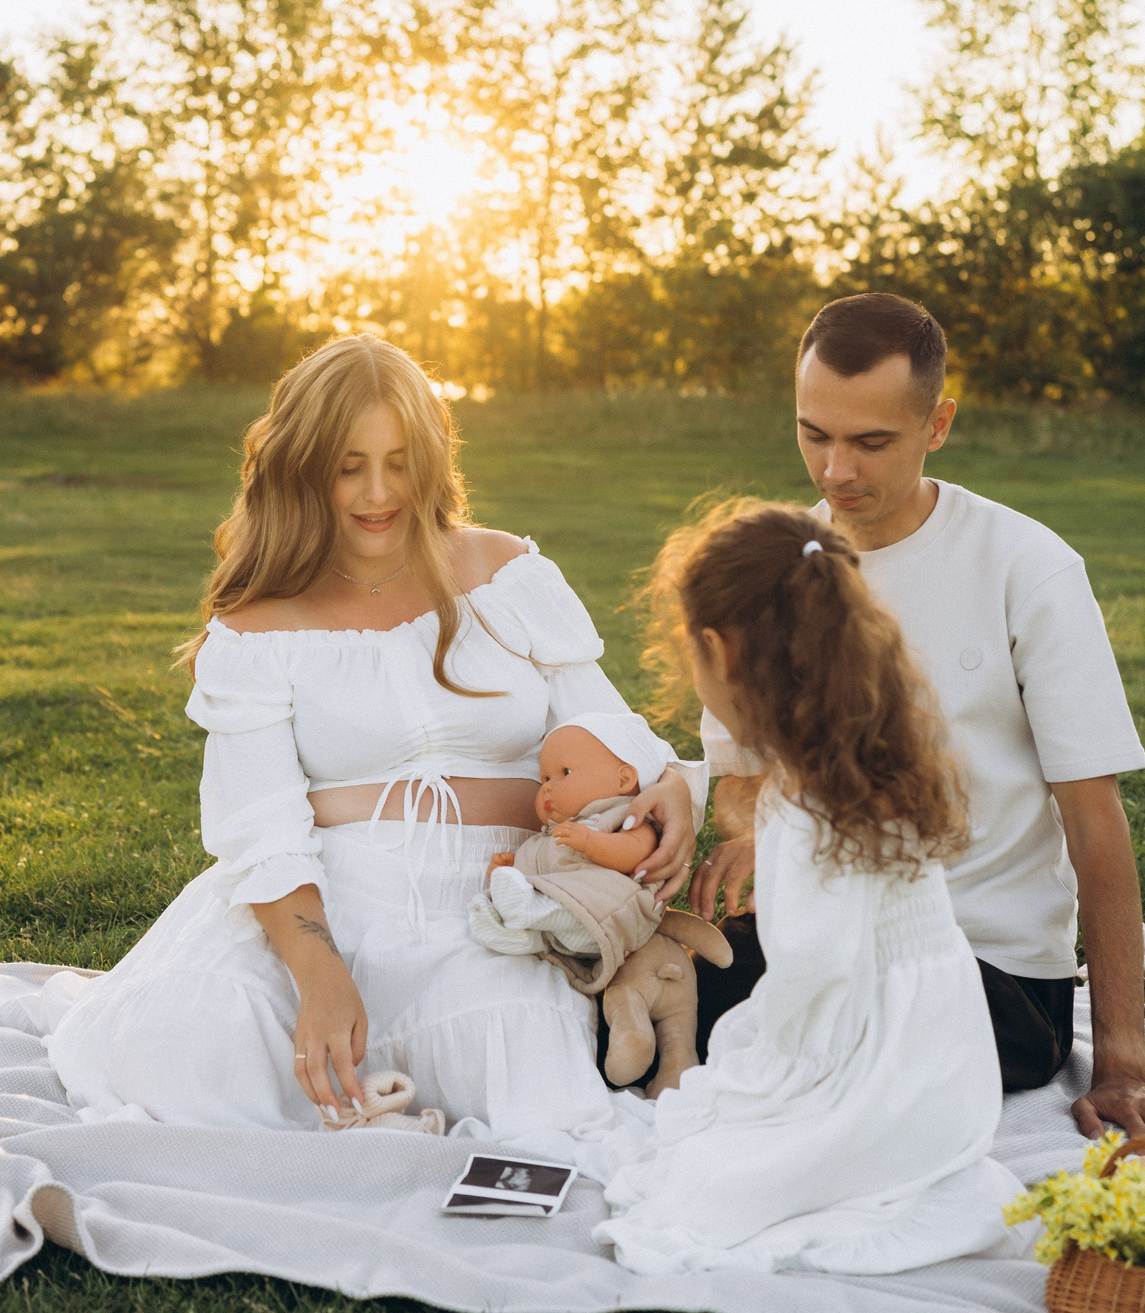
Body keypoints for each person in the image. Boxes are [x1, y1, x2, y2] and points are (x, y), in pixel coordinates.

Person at [44, 336, 702, 1143]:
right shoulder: (257, 626)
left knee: (511, 1054)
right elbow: (260, 825)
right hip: (334, 890)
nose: (378, 492)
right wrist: (320, 971)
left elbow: (604, 727)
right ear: (302, 466)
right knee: (180, 1045)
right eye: (349, 464)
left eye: (400, 461)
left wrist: (667, 777)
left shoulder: (506, 571)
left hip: (496, 891)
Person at [691, 293, 1145, 1144]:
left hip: (986, 969)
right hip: (822, 936)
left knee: (800, 1063)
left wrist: (1119, 1062)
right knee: (637, 1008)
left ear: (938, 424)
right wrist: (754, 829)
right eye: (814, 433)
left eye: (870, 441)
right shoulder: (782, 564)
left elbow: (1094, 818)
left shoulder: (1026, 567)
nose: (835, 470)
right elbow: (741, 771)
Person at [596, 501, 1023, 1276]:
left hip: (885, 1074)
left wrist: (757, 1064)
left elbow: (818, 975)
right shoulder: (866, 755)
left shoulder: (801, 803)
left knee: (710, 1181)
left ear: (721, 652)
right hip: (941, 1060)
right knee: (717, 1108)